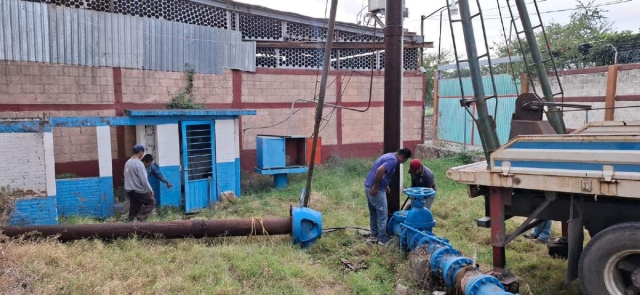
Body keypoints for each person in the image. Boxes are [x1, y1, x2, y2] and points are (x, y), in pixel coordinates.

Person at [364, 148, 412, 246]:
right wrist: (376, 187)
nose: (403, 162)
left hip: (368, 186)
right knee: (382, 214)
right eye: (404, 160)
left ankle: (374, 235)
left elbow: (384, 173)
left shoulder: (389, 155)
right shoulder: (393, 160)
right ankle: (382, 239)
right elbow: (380, 170)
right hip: (375, 189)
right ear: (402, 157)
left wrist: (386, 185)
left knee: (373, 212)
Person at [124, 144, 155, 222]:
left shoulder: (128, 162)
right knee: (151, 202)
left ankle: (130, 223)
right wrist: (150, 189)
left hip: (130, 190)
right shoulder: (139, 163)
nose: (143, 154)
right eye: (143, 152)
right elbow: (143, 179)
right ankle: (140, 217)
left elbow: (126, 176)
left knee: (134, 208)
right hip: (139, 191)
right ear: (140, 152)